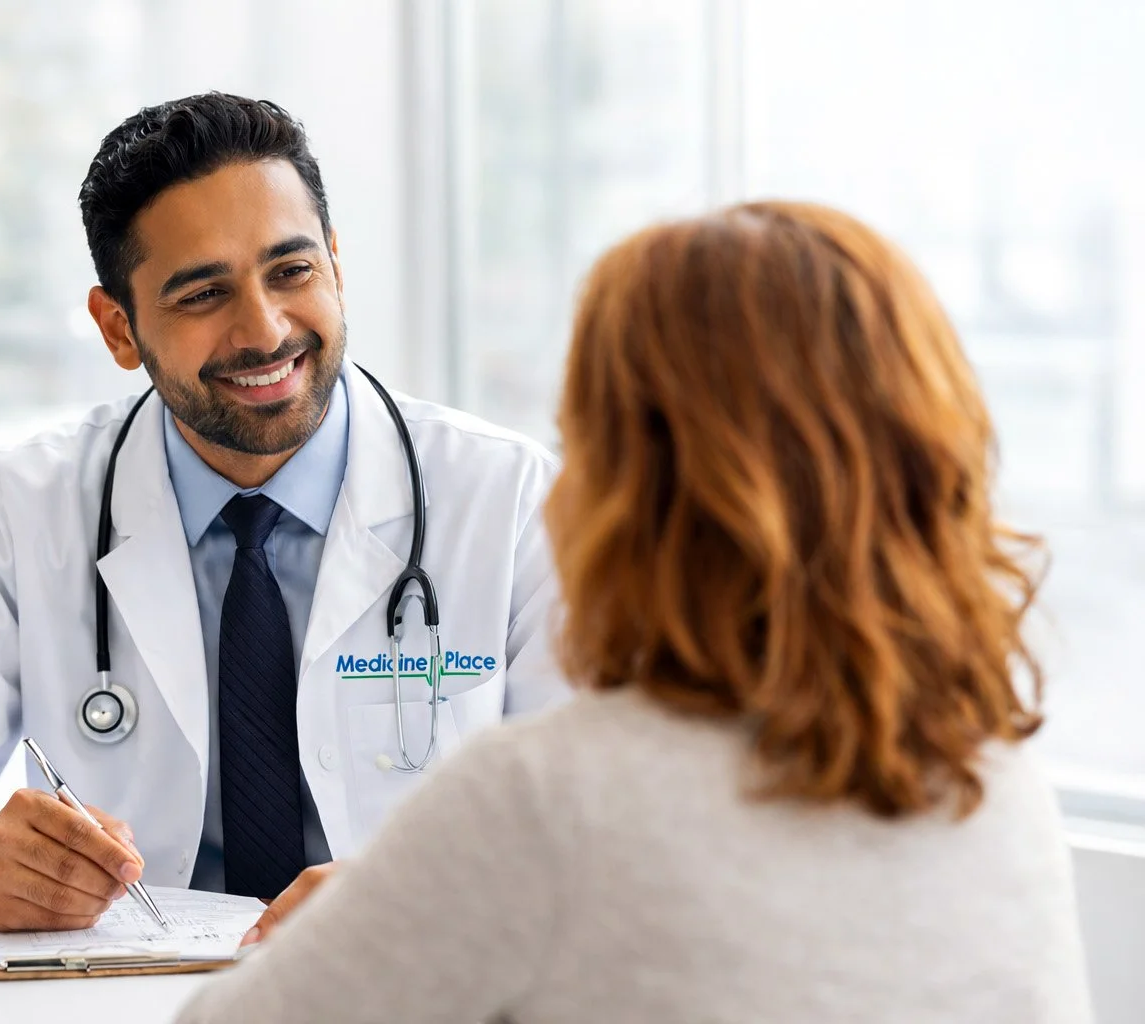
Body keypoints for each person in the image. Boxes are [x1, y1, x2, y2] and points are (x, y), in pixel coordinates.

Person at [173, 201, 1094, 1023]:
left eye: (580, 440)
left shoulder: (545, 801)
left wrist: (405, 910)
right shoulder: (992, 779)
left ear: (634, 486)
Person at [0, 93, 565, 934]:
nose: (264, 331)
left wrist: (424, 894)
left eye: (292, 271)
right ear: (118, 328)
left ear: (337, 267)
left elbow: (611, 798)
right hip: (126, 992)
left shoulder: (511, 501)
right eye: (202, 294)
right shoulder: (35, 503)